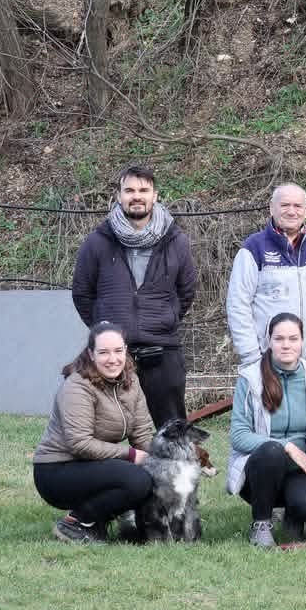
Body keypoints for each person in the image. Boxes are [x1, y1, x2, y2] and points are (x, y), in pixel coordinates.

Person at [70, 164, 199, 424]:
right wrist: (105, 328)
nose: (136, 196)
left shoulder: (176, 241)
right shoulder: (97, 242)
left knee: (171, 431)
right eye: (129, 190)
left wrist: (166, 318)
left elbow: (187, 290)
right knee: (107, 427)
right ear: (119, 196)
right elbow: (82, 293)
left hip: (163, 350)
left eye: (143, 190)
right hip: (113, 353)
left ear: (155, 195)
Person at [228, 312, 306, 548]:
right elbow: (238, 436)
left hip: (301, 469)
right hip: (259, 471)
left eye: (293, 338)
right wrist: (288, 447)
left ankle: (294, 515)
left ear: (302, 341)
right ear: (269, 342)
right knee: (272, 451)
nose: (286, 345)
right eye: (279, 339)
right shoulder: (250, 379)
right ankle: (261, 524)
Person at [31, 321, 155, 545]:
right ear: (91, 354)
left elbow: (143, 434)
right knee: (137, 480)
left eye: (118, 351)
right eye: (103, 352)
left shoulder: (132, 381)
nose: (112, 359)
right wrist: (131, 455)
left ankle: (108, 524)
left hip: (94, 464)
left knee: (155, 474)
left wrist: (164, 459)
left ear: (126, 351)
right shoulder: (77, 386)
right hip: (57, 471)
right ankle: (75, 523)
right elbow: (80, 443)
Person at [226, 183, 306, 369]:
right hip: (270, 365)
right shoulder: (253, 249)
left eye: (297, 206)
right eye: (285, 205)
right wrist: (251, 356)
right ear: (272, 208)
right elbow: (238, 305)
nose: (291, 211)